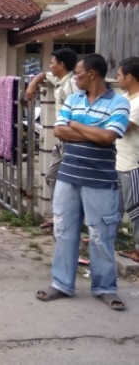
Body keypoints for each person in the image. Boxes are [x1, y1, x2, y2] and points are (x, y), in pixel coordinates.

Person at [36, 54, 129, 311]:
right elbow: (59, 130)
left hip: (100, 179)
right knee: (65, 231)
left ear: (92, 74)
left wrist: (77, 125)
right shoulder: (73, 98)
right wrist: (92, 132)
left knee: (101, 236)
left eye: (78, 74)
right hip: (68, 177)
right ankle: (62, 283)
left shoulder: (119, 102)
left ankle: (105, 288)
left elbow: (109, 137)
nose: (74, 78)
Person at [25, 47, 78, 227]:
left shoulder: (72, 86)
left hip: (71, 141)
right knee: (51, 177)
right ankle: (58, 217)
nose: (50, 66)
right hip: (60, 141)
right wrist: (33, 84)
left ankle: (67, 220)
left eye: (53, 63)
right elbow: (43, 74)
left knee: (66, 181)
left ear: (61, 65)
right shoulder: (60, 80)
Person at [116, 57, 139, 263]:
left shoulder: (138, 102)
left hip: (133, 163)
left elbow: (121, 127)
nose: (118, 78)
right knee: (115, 205)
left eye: (120, 75)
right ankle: (106, 237)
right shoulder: (125, 97)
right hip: (119, 161)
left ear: (129, 76)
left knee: (135, 207)